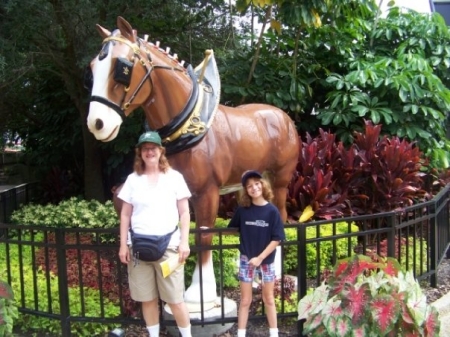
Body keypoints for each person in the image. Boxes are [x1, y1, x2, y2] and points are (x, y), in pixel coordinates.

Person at [117, 131, 192, 337]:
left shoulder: (175, 178)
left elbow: (185, 212)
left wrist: (184, 242)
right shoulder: (133, 180)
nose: (149, 152)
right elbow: (125, 215)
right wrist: (123, 245)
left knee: (175, 299)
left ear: (161, 151)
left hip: (169, 247)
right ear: (140, 153)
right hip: (139, 249)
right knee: (147, 298)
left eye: (153, 148)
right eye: (145, 148)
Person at [228, 170, 286, 337]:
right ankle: (241, 333)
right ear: (246, 190)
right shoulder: (243, 210)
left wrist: (260, 258)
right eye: (249, 186)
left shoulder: (272, 211)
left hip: (266, 261)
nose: (253, 188)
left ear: (262, 185)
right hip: (246, 260)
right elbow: (232, 230)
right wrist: (209, 231)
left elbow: (277, 239)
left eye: (256, 183)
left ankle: (273, 333)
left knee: (268, 298)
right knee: (245, 300)